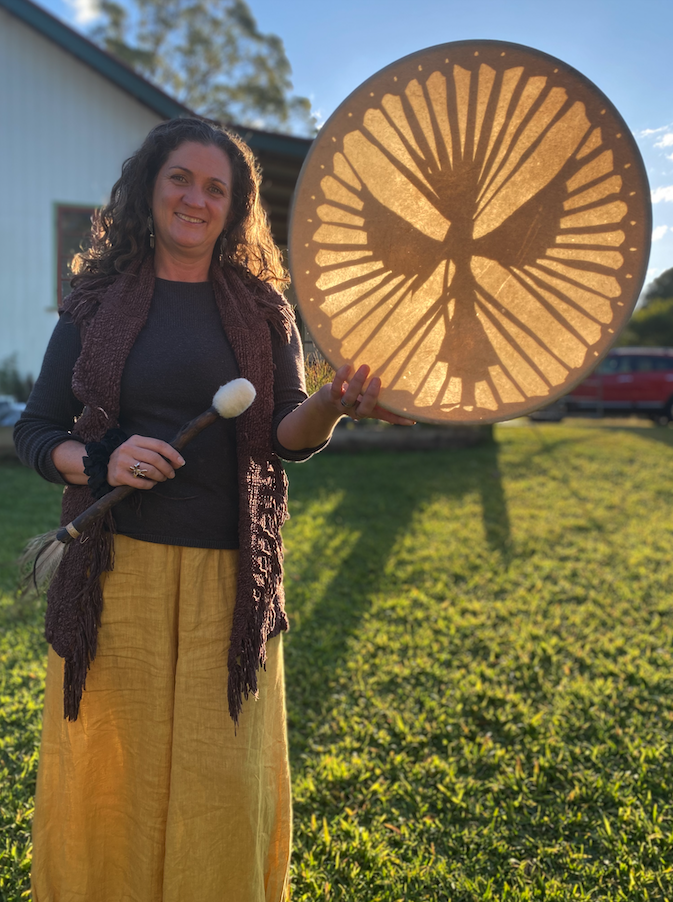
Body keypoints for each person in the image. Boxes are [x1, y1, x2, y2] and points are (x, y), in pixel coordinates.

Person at [14, 117, 412, 902]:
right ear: (148, 188)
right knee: (111, 776)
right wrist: (99, 459)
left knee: (219, 778)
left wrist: (331, 403)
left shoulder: (266, 310)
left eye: (215, 188)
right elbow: (35, 430)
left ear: (235, 208)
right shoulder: (93, 303)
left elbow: (284, 435)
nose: (195, 199)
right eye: (180, 179)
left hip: (230, 587)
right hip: (113, 579)